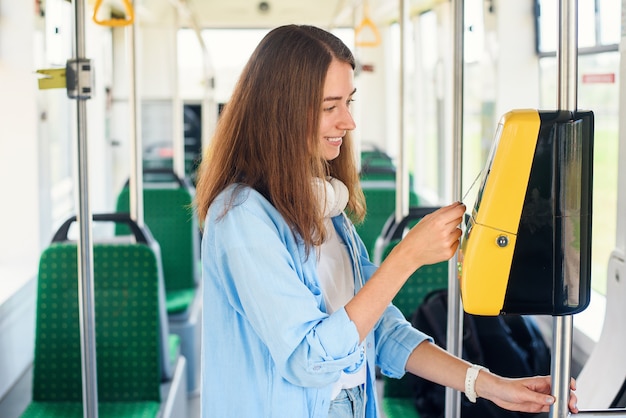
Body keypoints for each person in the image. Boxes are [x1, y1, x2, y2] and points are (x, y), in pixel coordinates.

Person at [195, 24, 578, 418]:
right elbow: (308, 358)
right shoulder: (242, 220)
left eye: (349, 102)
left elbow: (381, 330)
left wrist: (489, 384)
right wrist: (407, 256)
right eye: (330, 107)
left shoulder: (326, 210)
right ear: (281, 112)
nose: (348, 121)